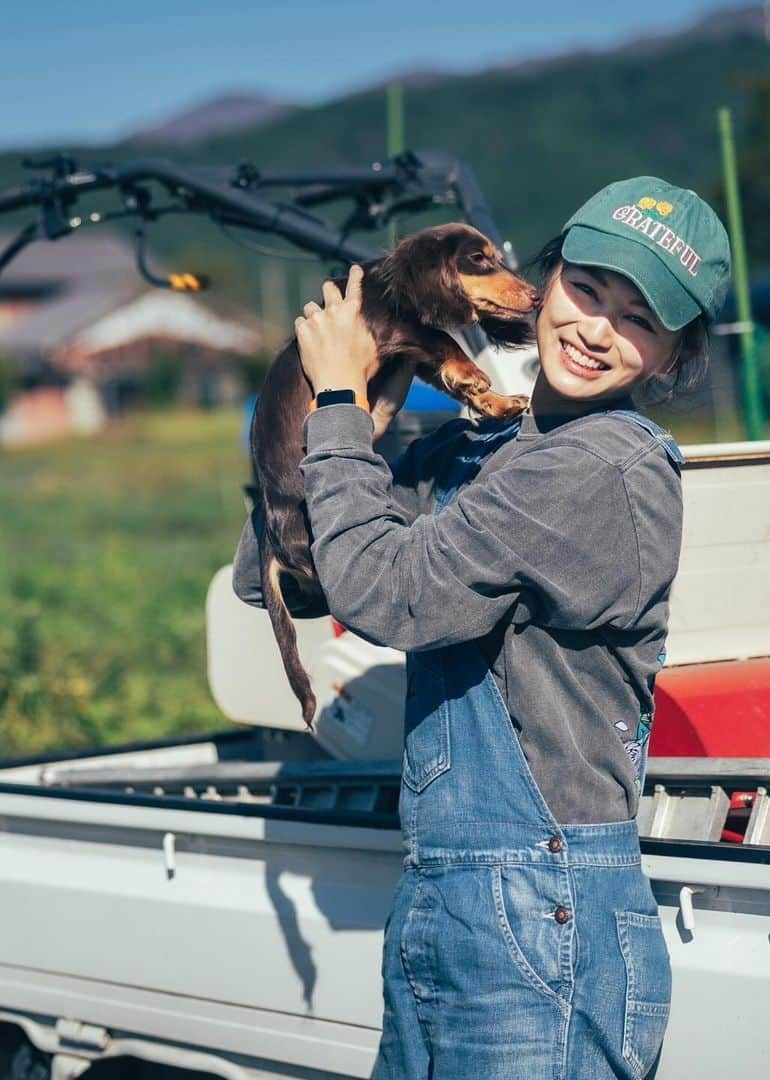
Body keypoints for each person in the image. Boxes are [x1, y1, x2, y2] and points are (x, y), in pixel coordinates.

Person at [231, 177, 730, 1078]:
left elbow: (392, 596)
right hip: (449, 891)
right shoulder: (485, 446)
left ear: (670, 358)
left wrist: (343, 404)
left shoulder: (601, 470)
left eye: (639, 320)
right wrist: (312, 397)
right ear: (546, 284)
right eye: (588, 291)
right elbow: (284, 572)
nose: (595, 328)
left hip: (546, 904)